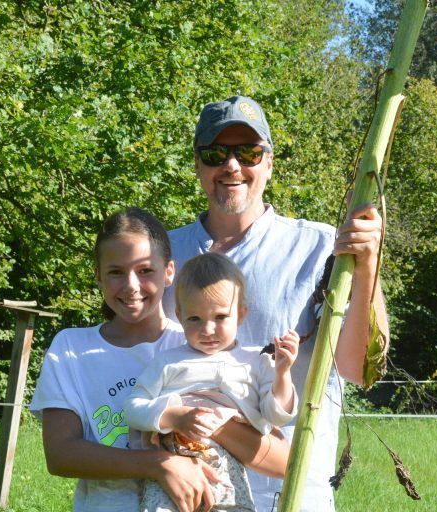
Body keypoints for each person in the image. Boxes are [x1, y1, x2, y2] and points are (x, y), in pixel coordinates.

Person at [163, 96, 389, 512]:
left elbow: (357, 369)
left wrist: (367, 267)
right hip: (179, 495)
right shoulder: (161, 256)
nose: (232, 166)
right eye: (215, 153)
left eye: (248, 152)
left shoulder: (322, 248)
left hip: (289, 494)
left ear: (269, 162)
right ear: (197, 164)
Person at [30, 207, 292, 512]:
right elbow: (61, 455)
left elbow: (281, 461)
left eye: (145, 270)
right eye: (116, 272)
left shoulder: (203, 344)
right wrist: (160, 464)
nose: (131, 285)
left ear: (169, 271)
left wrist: (204, 421)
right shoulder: (72, 348)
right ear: (98, 276)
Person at [125, 252, 300, 511]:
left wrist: (283, 373)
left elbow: (277, 416)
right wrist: (173, 416)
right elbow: (133, 408)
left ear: (241, 315)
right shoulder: (168, 362)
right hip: (172, 462)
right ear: (180, 314)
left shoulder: (256, 362)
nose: (207, 330)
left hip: (228, 467)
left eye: (220, 317)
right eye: (195, 319)